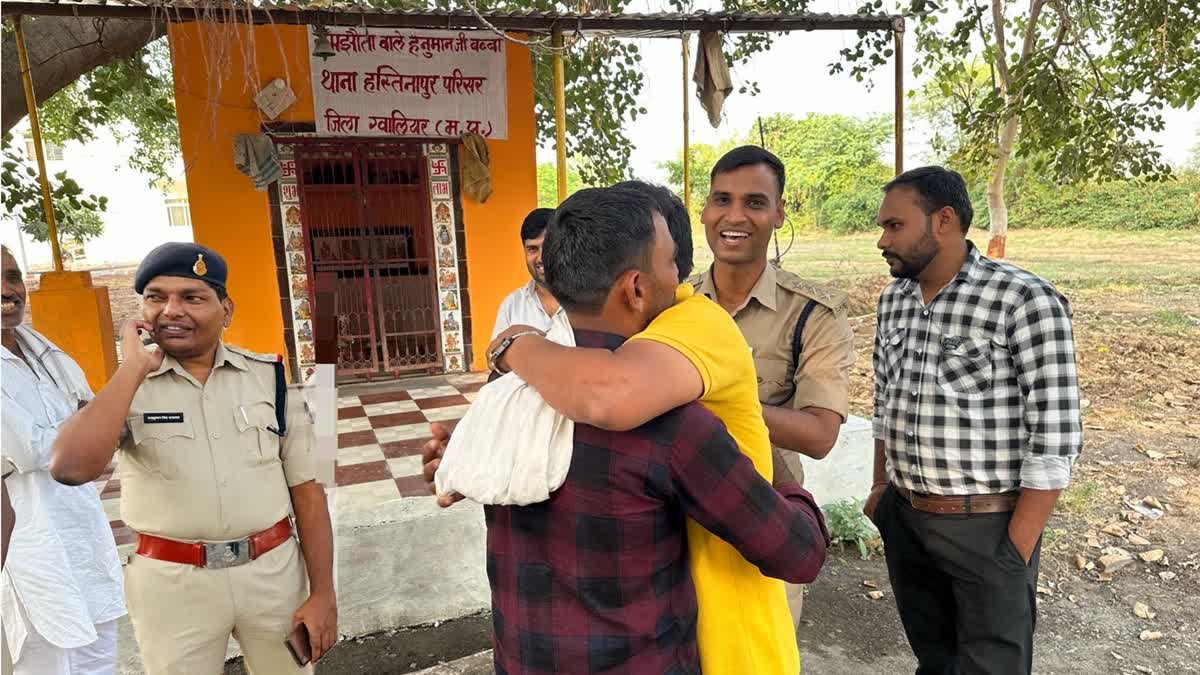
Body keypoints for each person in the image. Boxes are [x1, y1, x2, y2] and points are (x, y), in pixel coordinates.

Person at [426, 186, 830, 674]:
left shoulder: (506, 395)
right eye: (671, 265)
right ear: (636, 288)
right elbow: (797, 554)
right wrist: (784, 482)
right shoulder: (676, 427)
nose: (680, 281)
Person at [492, 150, 856, 633]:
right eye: (722, 199)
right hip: (687, 538)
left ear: (779, 212)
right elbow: (612, 394)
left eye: (754, 202)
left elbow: (819, 433)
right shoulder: (670, 324)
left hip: (744, 523)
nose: (734, 216)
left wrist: (514, 349)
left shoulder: (809, 312)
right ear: (638, 288)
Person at [49, 243, 337, 674]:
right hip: (171, 584)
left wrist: (323, 593)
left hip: (272, 575)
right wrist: (132, 368)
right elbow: (70, 468)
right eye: (156, 297)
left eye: (192, 297)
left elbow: (309, 495)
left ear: (226, 309)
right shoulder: (125, 389)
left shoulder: (270, 378)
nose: (171, 310)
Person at [864, 166, 1082, 674]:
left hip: (987, 527)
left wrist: (1016, 548)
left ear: (943, 221)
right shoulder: (894, 300)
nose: (881, 240)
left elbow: (1056, 433)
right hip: (907, 518)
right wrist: (881, 492)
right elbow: (883, 403)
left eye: (894, 226)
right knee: (935, 661)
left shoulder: (1024, 299)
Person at [1, 245, 126, 675]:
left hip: (81, 525)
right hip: (28, 540)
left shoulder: (41, 349)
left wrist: (87, 426)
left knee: (99, 651)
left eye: (13, 277)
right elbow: (28, 450)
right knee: (47, 657)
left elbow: (93, 415)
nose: (7, 290)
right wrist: (85, 428)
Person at [491, 207, 564, 338]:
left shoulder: (588, 301)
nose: (542, 258)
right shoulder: (513, 305)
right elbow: (495, 356)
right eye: (532, 249)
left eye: (549, 247)